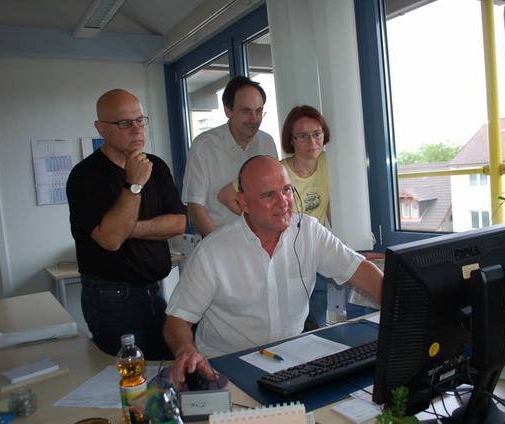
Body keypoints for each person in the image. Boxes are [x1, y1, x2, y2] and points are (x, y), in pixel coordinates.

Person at [164, 155, 383, 384]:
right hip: (225, 369)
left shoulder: (309, 232)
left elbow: (362, 271)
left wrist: (404, 313)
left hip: (291, 364)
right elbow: (177, 320)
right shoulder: (213, 251)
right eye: (269, 195)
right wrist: (185, 350)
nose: (283, 202)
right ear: (243, 203)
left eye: (287, 190)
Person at [66, 89, 187, 360]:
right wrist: (134, 184)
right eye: (124, 123)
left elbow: (179, 223)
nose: (135, 129)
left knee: (163, 367)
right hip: (111, 298)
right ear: (101, 129)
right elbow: (110, 240)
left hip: (155, 290)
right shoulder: (85, 176)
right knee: (123, 381)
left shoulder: (156, 166)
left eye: (140, 120)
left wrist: (127, 229)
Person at [217, 105, 332, 328]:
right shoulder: (276, 171)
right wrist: (264, 218)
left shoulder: (330, 163)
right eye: (302, 136)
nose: (312, 142)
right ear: (291, 140)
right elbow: (226, 196)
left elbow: (331, 207)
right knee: (283, 328)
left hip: (312, 257)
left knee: (318, 326)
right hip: (281, 258)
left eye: (317, 134)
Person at [181, 76, 279, 237]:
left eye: (259, 111)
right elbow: (195, 206)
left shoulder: (267, 142)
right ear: (228, 111)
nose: (254, 119)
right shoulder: (204, 146)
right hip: (221, 239)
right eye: (246, 112)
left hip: (263, 241)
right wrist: (216, 247)